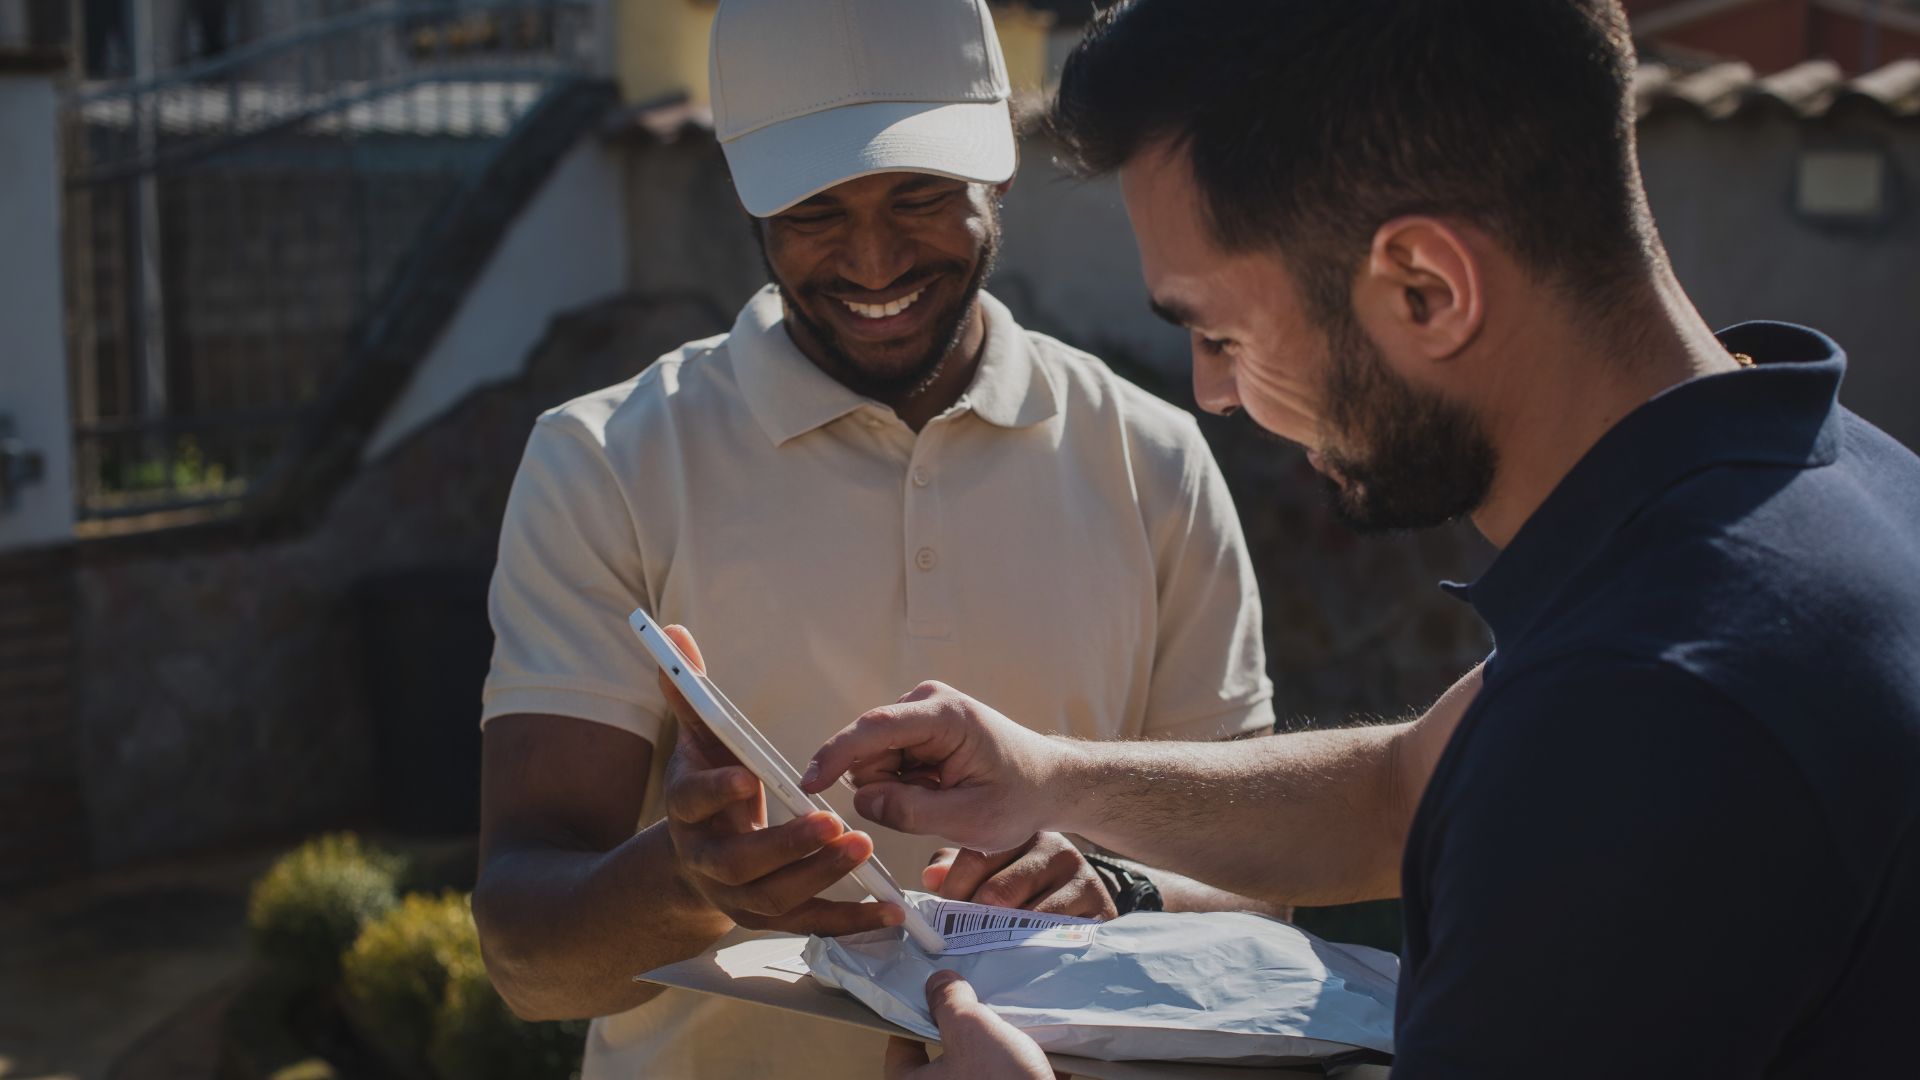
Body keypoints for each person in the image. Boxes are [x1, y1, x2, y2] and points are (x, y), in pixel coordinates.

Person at [799, 1, 1920, 1076]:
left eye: (1221, 333)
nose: (1214, 395)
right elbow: (1399, 790)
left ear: (1425, 287)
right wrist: (1050, 779)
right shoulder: (1804, 486)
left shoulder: (1648, 707)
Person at [469, 0, 1288, 1076]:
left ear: (997, 174)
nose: (871, 259)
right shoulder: (605, 463)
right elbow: (530, 965)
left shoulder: (1153, 461)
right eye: (814, 208)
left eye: (919, 195)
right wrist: (687, 884)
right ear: (746, 197)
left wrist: (1125, 889)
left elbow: (1263, 886)